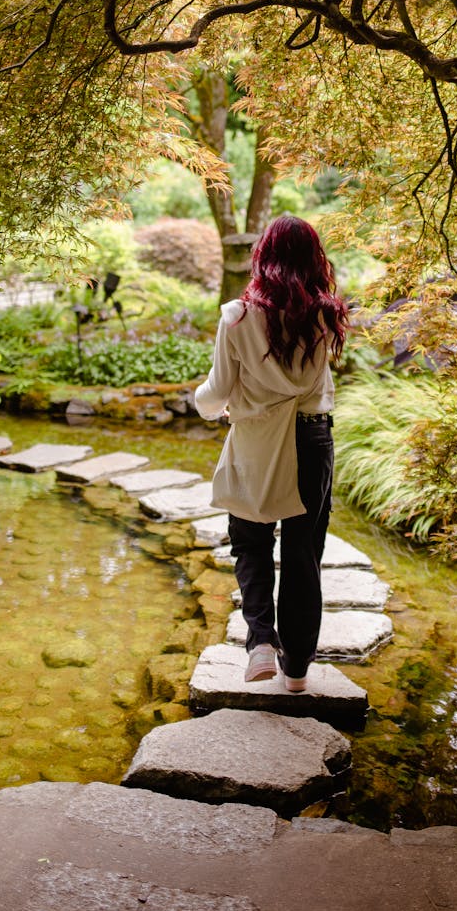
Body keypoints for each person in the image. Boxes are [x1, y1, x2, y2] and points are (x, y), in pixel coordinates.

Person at [194, 215, 349, 692]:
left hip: (258, 441)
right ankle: (298, 671)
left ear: (263, 256)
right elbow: (320, 385)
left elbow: (217, 392)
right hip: (312, 439)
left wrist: (203, 405)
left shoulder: (236, 317)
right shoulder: (328, 314)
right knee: (304, 554)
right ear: (313, 258)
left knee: (250, 540)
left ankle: (261, 641)